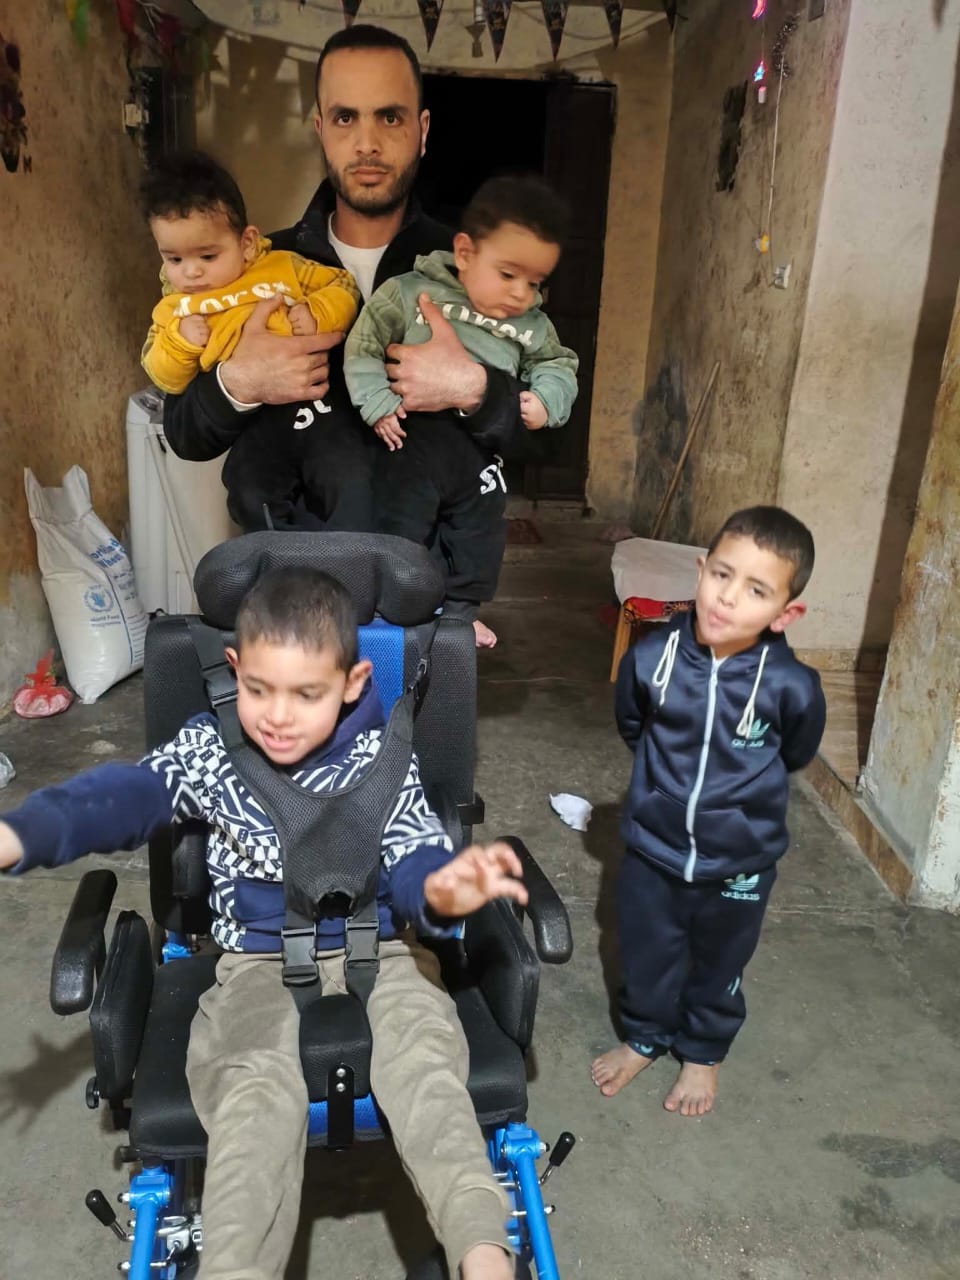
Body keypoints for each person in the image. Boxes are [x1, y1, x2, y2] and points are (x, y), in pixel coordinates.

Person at [0, 566, 525, 1280]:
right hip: (254, 960)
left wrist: (441, 887)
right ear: (235, 669)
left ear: (352, 681)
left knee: (427, 1070)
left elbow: (410, 864)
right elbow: (122, 796)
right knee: (254, 1096)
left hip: (384, 951)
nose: (277, 715)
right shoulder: (213, 753)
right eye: (258, 690)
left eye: (306, 694)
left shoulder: (386, 759)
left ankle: (482, 1250)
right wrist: (23, 834)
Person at [160, 24, 548, 645]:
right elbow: (182, 433)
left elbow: (543, 435)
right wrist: (239, 382)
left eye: (389, 118)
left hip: (423, 603)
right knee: (293, 743)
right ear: (319, 128)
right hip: (287, 600)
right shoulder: (258, 270)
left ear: (421, 130)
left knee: (411, 743)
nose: (366, 142)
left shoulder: (473, 270)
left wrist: (474, 388)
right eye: (345, 118)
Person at [591, 506, 826, 1118]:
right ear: (699, 571)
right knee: (646, 951)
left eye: (755, 590)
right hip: (653, 849)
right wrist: (661, 794)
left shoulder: (792, 687)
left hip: (740, 861)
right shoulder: (650, 660)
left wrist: (735, 810)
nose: (727, 599)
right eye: (721, 575)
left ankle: (703, 1053)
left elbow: (795, 750)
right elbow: (632, 724)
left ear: (785, 613)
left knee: (721, 963)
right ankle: (644, 1036)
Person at [344, 174, 578, 635]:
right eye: (508, 274)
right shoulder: (411, 292)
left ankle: (460, 614)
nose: (520, 294)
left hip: (477, 451)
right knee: (403, 529)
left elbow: (558, 363)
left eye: (536, 282)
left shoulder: (532, 325)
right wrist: (375, 402)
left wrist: (546, 400)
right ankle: (408, 608)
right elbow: (364, 345)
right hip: (410, 441)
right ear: (466, 253)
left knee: (481, 534)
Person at [140, 151, 364, 534]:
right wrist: (181, 344)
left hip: (321, 414)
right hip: (257, 428)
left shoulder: (282, 265)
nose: (191, 272)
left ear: (246, 243)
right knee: (249, 490)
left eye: (208, 255)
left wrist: (316, 313)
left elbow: (341, 286)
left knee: (348, 483)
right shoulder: (175, 309)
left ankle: (355, 563)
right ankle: (281, 561)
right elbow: (166, 378)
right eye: (173, 259)